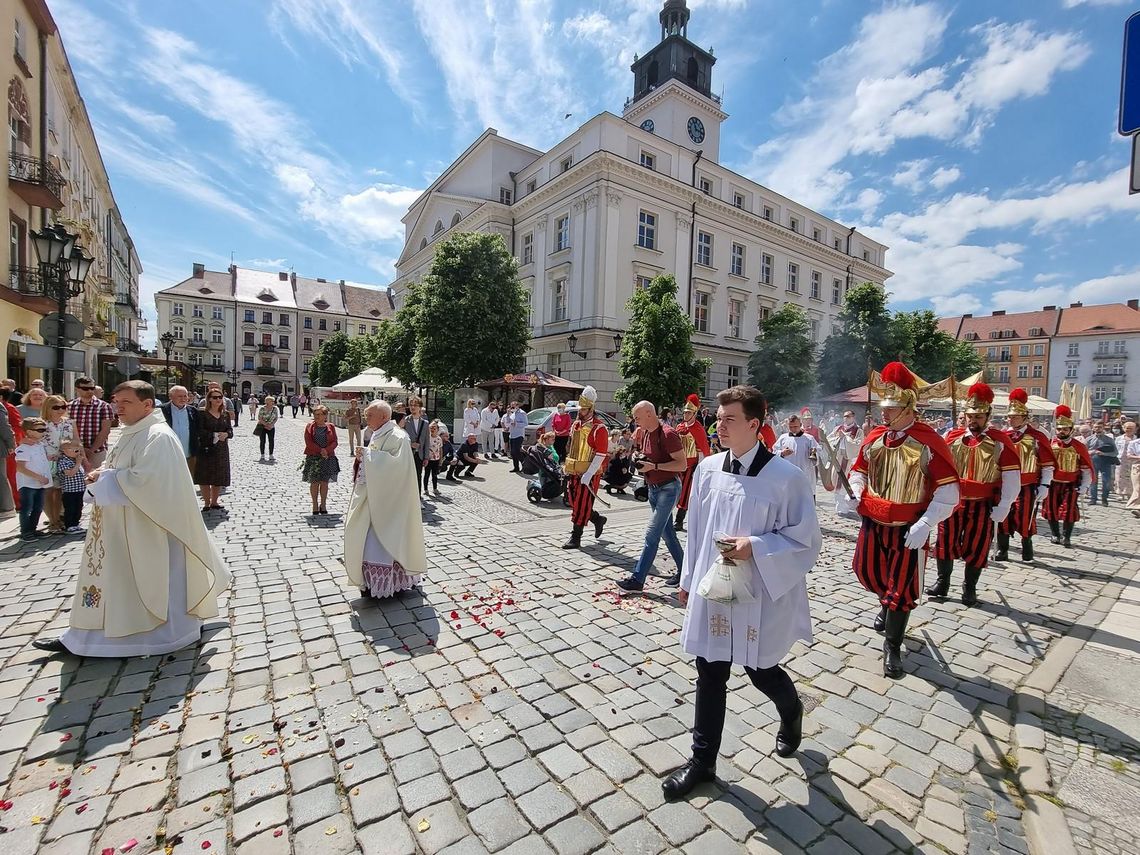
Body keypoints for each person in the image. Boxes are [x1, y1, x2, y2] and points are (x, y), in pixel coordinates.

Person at [662, 385, 822, 800]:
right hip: (714, 586)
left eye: (729, 418)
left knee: (759, 669)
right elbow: (696, 529)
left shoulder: (787, 478)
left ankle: (791, 711)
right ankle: (703, 761)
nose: (720, 424)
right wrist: (686, 582)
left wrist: (758, 546)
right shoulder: (709, 469)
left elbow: (806, 542)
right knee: (709, 669)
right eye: (719, 416)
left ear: (755, 424)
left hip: (761, 590)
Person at [32, 381, 231, 656]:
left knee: (149, 580)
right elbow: (124, 467)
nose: (118, 408)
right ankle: (83, 636)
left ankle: (149, 636)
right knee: (114, 578)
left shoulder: (157, 436)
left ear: (147, 404)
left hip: (149, 526)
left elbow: (150, 482)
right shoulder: (135, 432)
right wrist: (105, 472)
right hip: (123, 524)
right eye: (116, 401)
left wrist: (105, 477)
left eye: (125, 403)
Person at [841, 362, 959, 679]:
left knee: (903, 588)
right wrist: (856, 492)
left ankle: (893, 645)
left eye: (891, 407)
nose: (884, 413)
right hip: (873, 522)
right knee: (868, 571)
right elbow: (859, 471)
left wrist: (926, 524)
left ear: (907, 407)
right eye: (884, 406)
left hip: (909, 528)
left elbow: (949, 492)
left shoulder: (928, 441)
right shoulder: (877, 437)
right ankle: (885, 603)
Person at [928, 383, 1020, 606]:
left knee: (977, 546)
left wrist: (1004, 505)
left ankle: (969, 588)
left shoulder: (999, 442)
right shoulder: (952, 437)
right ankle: (943, 582)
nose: (973, 420)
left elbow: (1012, 477)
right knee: (945, 541)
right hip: (953, 502)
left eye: (978, 416)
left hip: (982, 504)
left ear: (988, 415)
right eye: (970, 415)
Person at [344, 400, 426, 599]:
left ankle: (386, 584)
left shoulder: (398, 436)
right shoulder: (379, 432)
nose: (366, 418)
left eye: (369, 415)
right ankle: (371, 583)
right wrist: (363, 456)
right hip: (374, 498)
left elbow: (396, 467)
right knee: (367, 540)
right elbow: (375, 459)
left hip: (391, 503)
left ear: (384, 416)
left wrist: (367, 455)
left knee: (379, 543)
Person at [616, 401, 687, 592]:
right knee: (668, 534)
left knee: (652, 534)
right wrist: (638, 457)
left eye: (637, 417)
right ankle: (685, 572)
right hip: (653, 488)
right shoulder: (646, 432)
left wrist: (654, 467)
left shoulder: (668, 434)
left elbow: (682, 465)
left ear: (649, 413)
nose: (635, 421)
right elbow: (648, 455)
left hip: (668, 488)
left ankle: (637, 580)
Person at [996, 389, 1054, 562]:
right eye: (1009, 417)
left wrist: (1045, 484)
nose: (1010, 419)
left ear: (1024, 418)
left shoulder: (1036, 437)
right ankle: (1003, 549)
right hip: (1005, 485)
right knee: (1003, 516)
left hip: (1027, 485)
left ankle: (1027, 546)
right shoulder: (1003, 437)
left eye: (1014, 417)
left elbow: (1047, 464)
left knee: (1025, 517)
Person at [561, 386, 609, 550]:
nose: (581, 412)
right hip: (574, 469)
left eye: (584, 409)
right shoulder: (576, 424)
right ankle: (596, 518)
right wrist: (565, 464)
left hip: (589, 472)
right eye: (580, 409)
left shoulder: (599, 428)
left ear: (592, 409)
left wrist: (589, 473)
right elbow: (571, 446)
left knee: (582, 504)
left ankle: (576, 537)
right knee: (574, 502)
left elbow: (601, 454)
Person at [1042, 405, 1093, 548]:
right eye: (1059, 429)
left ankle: (1067, 536)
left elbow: (1086, 468)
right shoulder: (1051, 445)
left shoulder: (1078, 446)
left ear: (1071, 430)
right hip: (1052, 483)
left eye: (1065, 429)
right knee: (1051, 509)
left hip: (1071, 484)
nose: (1061, 432)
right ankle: (1055, 534)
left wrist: (1084, 486)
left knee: (1068, 509)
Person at [674, 394, 711, 532]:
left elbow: (703, 449)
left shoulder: (698, 428)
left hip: (691, 466)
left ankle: (679, 520)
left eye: (688, 412)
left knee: (685, 493)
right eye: (684, 412)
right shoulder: (679, 426)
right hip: (678, 464)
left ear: (694, 413)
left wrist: (699, 468)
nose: (685, 415)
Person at [39, 394, 74, 532]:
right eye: (56, 407)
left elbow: (77, 441)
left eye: (63, 406)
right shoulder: (41, 423)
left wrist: (80, 459)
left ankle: (58, 518)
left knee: (59, 491)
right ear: (48, 408)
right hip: (46, 461)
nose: (60, 410)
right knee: (48, 491)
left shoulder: (69, 422)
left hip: (64, 460)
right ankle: (52, 521)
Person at [195, 389, 233, 513]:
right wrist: (215, 434)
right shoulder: (202, 414)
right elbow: (199, 431)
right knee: (205, 476)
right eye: (215, 397)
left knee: (219, 476)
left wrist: (226, 434)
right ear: (209, 399)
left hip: (221, 449)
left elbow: (230, 431)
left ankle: (214, 502)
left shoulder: (225, 414)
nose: (218, 400)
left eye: (220, 397)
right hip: (206, 448)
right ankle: (206, 502)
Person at [15, 416, 51, 540]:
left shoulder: (39, 445)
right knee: (27, 508)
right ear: (29, 432)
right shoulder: (24, 448)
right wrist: (38, 477)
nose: (43, 432)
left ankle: (33, 529)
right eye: (40, 430)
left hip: (39, 483)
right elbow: (20, 468)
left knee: (38, 507)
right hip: (28, 484)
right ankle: (25, 531)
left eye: (44, 429)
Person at [69, 376, 115, 468]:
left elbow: (106, 430)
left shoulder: (104, 406)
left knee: (96, 479)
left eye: (92, 388)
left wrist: (91, 450)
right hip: (73, 451)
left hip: (97, 451)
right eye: (85, 388)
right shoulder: (70, 406)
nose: (89, 391)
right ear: (77, 389)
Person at [303, 405, 340, 515]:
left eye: (320, 414)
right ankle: (315, 504)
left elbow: (335, 441)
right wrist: (320, 450)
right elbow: (308, 442)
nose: (317, 416)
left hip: (328, 458)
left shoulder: (331, 426)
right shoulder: (310, 426)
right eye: (316, 414)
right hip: (314, 457)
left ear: (325, 416)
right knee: (314, 482)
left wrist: (327, 450)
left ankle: (323, 504)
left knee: (324, 483)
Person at [160, 386, 200, 476]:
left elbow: (198, 430)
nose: (183, 399)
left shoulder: (193, 411)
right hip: (167, 453)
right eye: (179, 396)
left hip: (188, 453)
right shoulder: (161, 410)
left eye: (185, 396)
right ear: (170, 397)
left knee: (187, 479)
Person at [774, 414, 821, 488]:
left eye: (795, 426)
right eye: (790, 427)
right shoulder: (783, 438)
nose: (793, 429)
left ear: (800, 425)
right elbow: (774, 453)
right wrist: (782, 453)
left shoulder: (809, 439)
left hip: (805, 474)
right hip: (787, 476)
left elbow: (818, 454)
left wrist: (814, 455)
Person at [56, 440, 88, 534]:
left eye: (78, 450)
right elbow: (69, 474)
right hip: (69, 491)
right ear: (65, 451)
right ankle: (69, 525)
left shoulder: (75, 460)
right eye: (75, 450)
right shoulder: (64, 461)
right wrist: (78, 463)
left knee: (79, 507)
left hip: (80, 489)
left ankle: (76, 524)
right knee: (70, 508)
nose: (77, 452)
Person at [1087, 422, 1119, 507]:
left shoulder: (1109, 440)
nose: (1098, 429)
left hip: (1105, 462)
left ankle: (1104, 498)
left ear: (1103, 428)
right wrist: (1091, 452)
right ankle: (1093, 499)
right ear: (1093, 428)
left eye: (1100, 427)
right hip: (1092, 461)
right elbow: (1083, 451)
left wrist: (1104, 454)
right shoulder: (1089, 439)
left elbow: (1115, 452)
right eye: (1096, 427)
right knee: (1093, 481)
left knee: (1106, 481)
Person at [828, 411, 863, 478]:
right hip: (838, 454)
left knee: (846, 475)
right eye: (845, 416)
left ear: (853, 418)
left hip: (849, 456)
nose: (846, 418)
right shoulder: (838, 428)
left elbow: (858, 444)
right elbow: (829, 439)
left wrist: (845, 438)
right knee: (835, 476)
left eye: (848, 416)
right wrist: (838, 438)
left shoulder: (858, 431)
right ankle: (835, 488)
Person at [405, 397, 429, 492]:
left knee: (418, 476)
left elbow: (427, 441)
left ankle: (418, 498)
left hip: (419, 454)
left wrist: (426, 457)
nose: (413, 407)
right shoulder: (406, 421)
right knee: (407, 477)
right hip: (407, 453)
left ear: (420, 407)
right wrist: (410, 444)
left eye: (415, 405)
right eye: (411, 405)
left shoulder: (425, 423)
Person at [505, 400, 528, 472]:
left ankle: (525, 465)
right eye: (511, 407)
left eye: (513, 406)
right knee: (512, 452)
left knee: (516, 451)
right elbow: (508, 422)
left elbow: (526, 423)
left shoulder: (522, 413)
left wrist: (517, 424)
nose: (512, 408)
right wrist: (508, 414)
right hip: (512, 434)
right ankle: (516, 467)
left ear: (517, 406)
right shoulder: (512, 413)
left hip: (519, 434)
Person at [1116, 421, 1136, 499]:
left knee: (1131, 477)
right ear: (1123, 428)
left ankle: (1129, 493)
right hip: (1121, 459)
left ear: (1135, 429)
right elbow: (1116, 448)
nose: (1129, 430)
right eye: (1127, 428)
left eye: (1131, 428)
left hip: (1133, 460)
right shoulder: (1119, 438)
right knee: (1119, 476)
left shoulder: (1136, 439)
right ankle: (1120, 493)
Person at [423, 421, 444, 494]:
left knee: (434, 475)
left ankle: (435, 488)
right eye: (431, 428)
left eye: (434, 428)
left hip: (436, 459)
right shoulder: (427, 438)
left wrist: (441, 460)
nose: (433, 430)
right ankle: (425, 489)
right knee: (427, 474)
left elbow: (440, 449)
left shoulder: (439, 439)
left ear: (438, 430)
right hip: (428, 459)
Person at [256, 397, 279, 461]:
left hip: (271, 427)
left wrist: (271, 425)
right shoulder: (262, 408)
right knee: (262, 441)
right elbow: (260, 418)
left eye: (273, 401)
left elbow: (276, 418)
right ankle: (262, 455)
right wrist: (266, 425)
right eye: (272, 401)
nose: (273, 402)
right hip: (262, 426)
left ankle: (271, 455)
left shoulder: (275, 409)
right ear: (267, 402)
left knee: (271, 441)